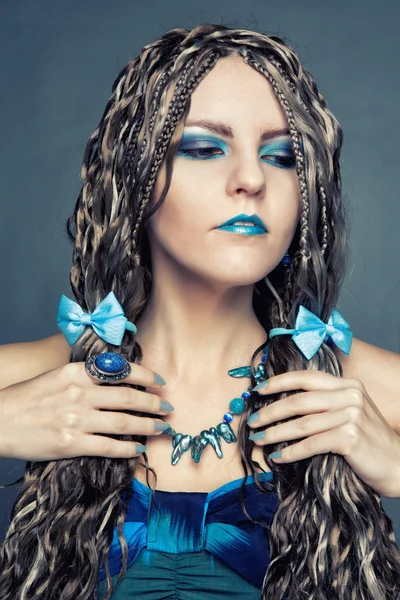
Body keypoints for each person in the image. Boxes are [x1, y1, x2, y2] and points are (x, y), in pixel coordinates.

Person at [0, 22, 399, 600]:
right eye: (204, 148)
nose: (251, 179)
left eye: (283, 156)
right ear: (135, 176)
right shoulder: (45, 379)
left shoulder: (342, 385)